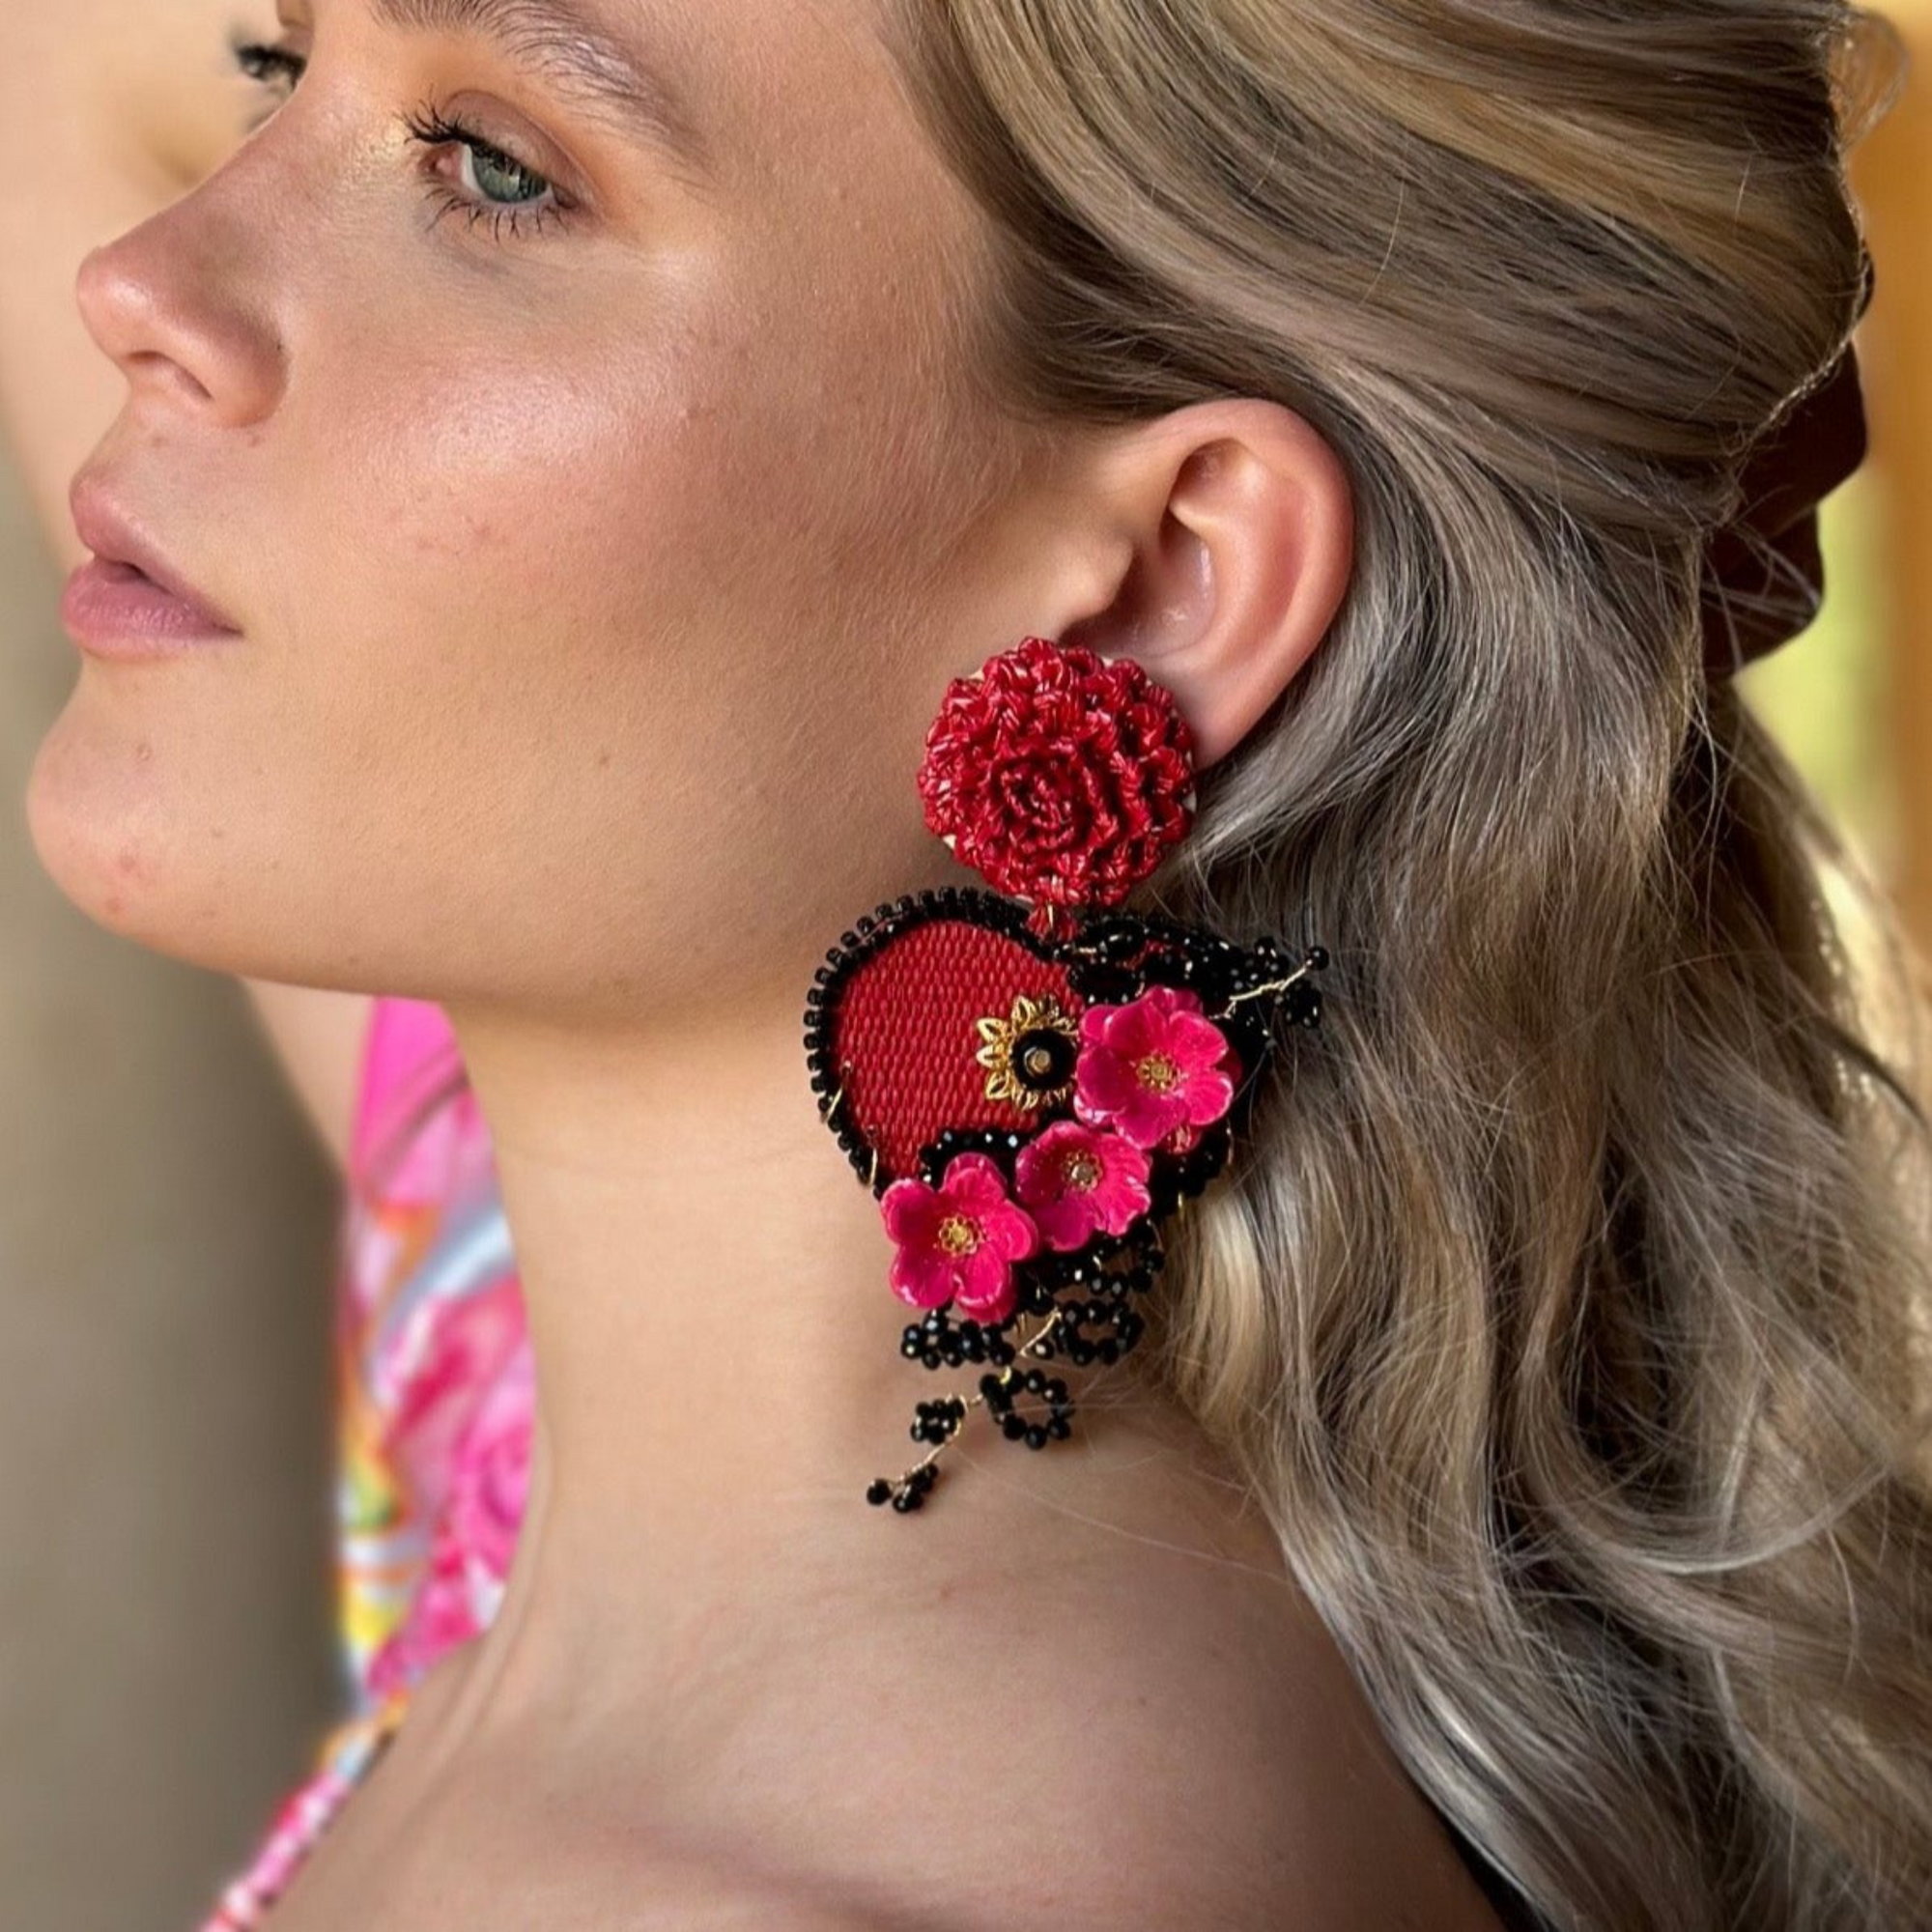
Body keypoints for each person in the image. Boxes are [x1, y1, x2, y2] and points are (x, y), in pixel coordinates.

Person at [5, 2, 1931, 1928]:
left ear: (1166, 575)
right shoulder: (514, 1361)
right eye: (277, 67)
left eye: (499, 172)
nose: (137, 283)